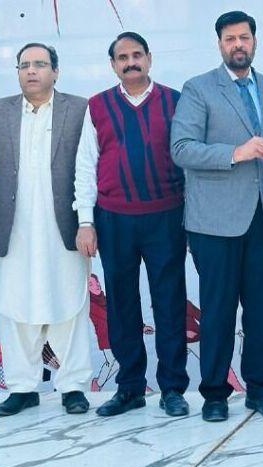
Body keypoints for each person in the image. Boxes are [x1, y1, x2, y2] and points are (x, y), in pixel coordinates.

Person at [171, 10, 263, 422]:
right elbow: (182, 148)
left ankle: (262, 391)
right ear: (220, 44)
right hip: (214, 221)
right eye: (230, 39)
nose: (238, 44)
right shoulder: (199, 88)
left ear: (254, 41)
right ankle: (214, 394)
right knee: (219, 309)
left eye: (244, 37)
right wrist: (236, 153)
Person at [73, 31, 187, 418]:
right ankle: (130, 388)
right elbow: (86, 166)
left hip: (166, 216)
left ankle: (173, 388)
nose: (131, 62)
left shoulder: (174, 101)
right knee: (121, 305)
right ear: (113, 65)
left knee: (169, 303)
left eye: (137, 55)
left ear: (149, 59)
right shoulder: (98, 106)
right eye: (122, 57)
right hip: (114, 219)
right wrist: (85, 221)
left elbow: (189, 158)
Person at [0, 42, 92, 417]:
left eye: (40, 64)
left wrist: (88, 221)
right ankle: (22, 388)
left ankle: (73, 386)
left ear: (56, 71)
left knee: (70, 304)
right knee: (15, 305)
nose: (31, 70)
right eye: (24, 65)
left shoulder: (79, 109)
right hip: (13, 225)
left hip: (64, 225)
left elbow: (89, 166)